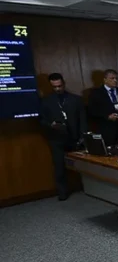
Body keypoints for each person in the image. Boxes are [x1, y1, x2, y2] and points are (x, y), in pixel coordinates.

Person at [40, 73, 87, 201]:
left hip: (74, 137)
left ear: (64, 84)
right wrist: (51, 125)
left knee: (83, 164)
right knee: (59, 166)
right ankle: (62, 192)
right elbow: (41, 120)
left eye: (59, 86)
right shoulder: (46, 101)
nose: (57, 89)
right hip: (56, 138)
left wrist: (83, 136)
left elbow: (82, 119)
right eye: (54, 87)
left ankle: (87, 187)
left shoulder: (75, 99)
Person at [87, 69, 118, 146]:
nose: (115, 80)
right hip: (107, 130)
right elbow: (92, 111)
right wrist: (107, 116)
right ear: (105, 80)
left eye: (116, 78)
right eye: (112, 78)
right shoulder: (96, 93)